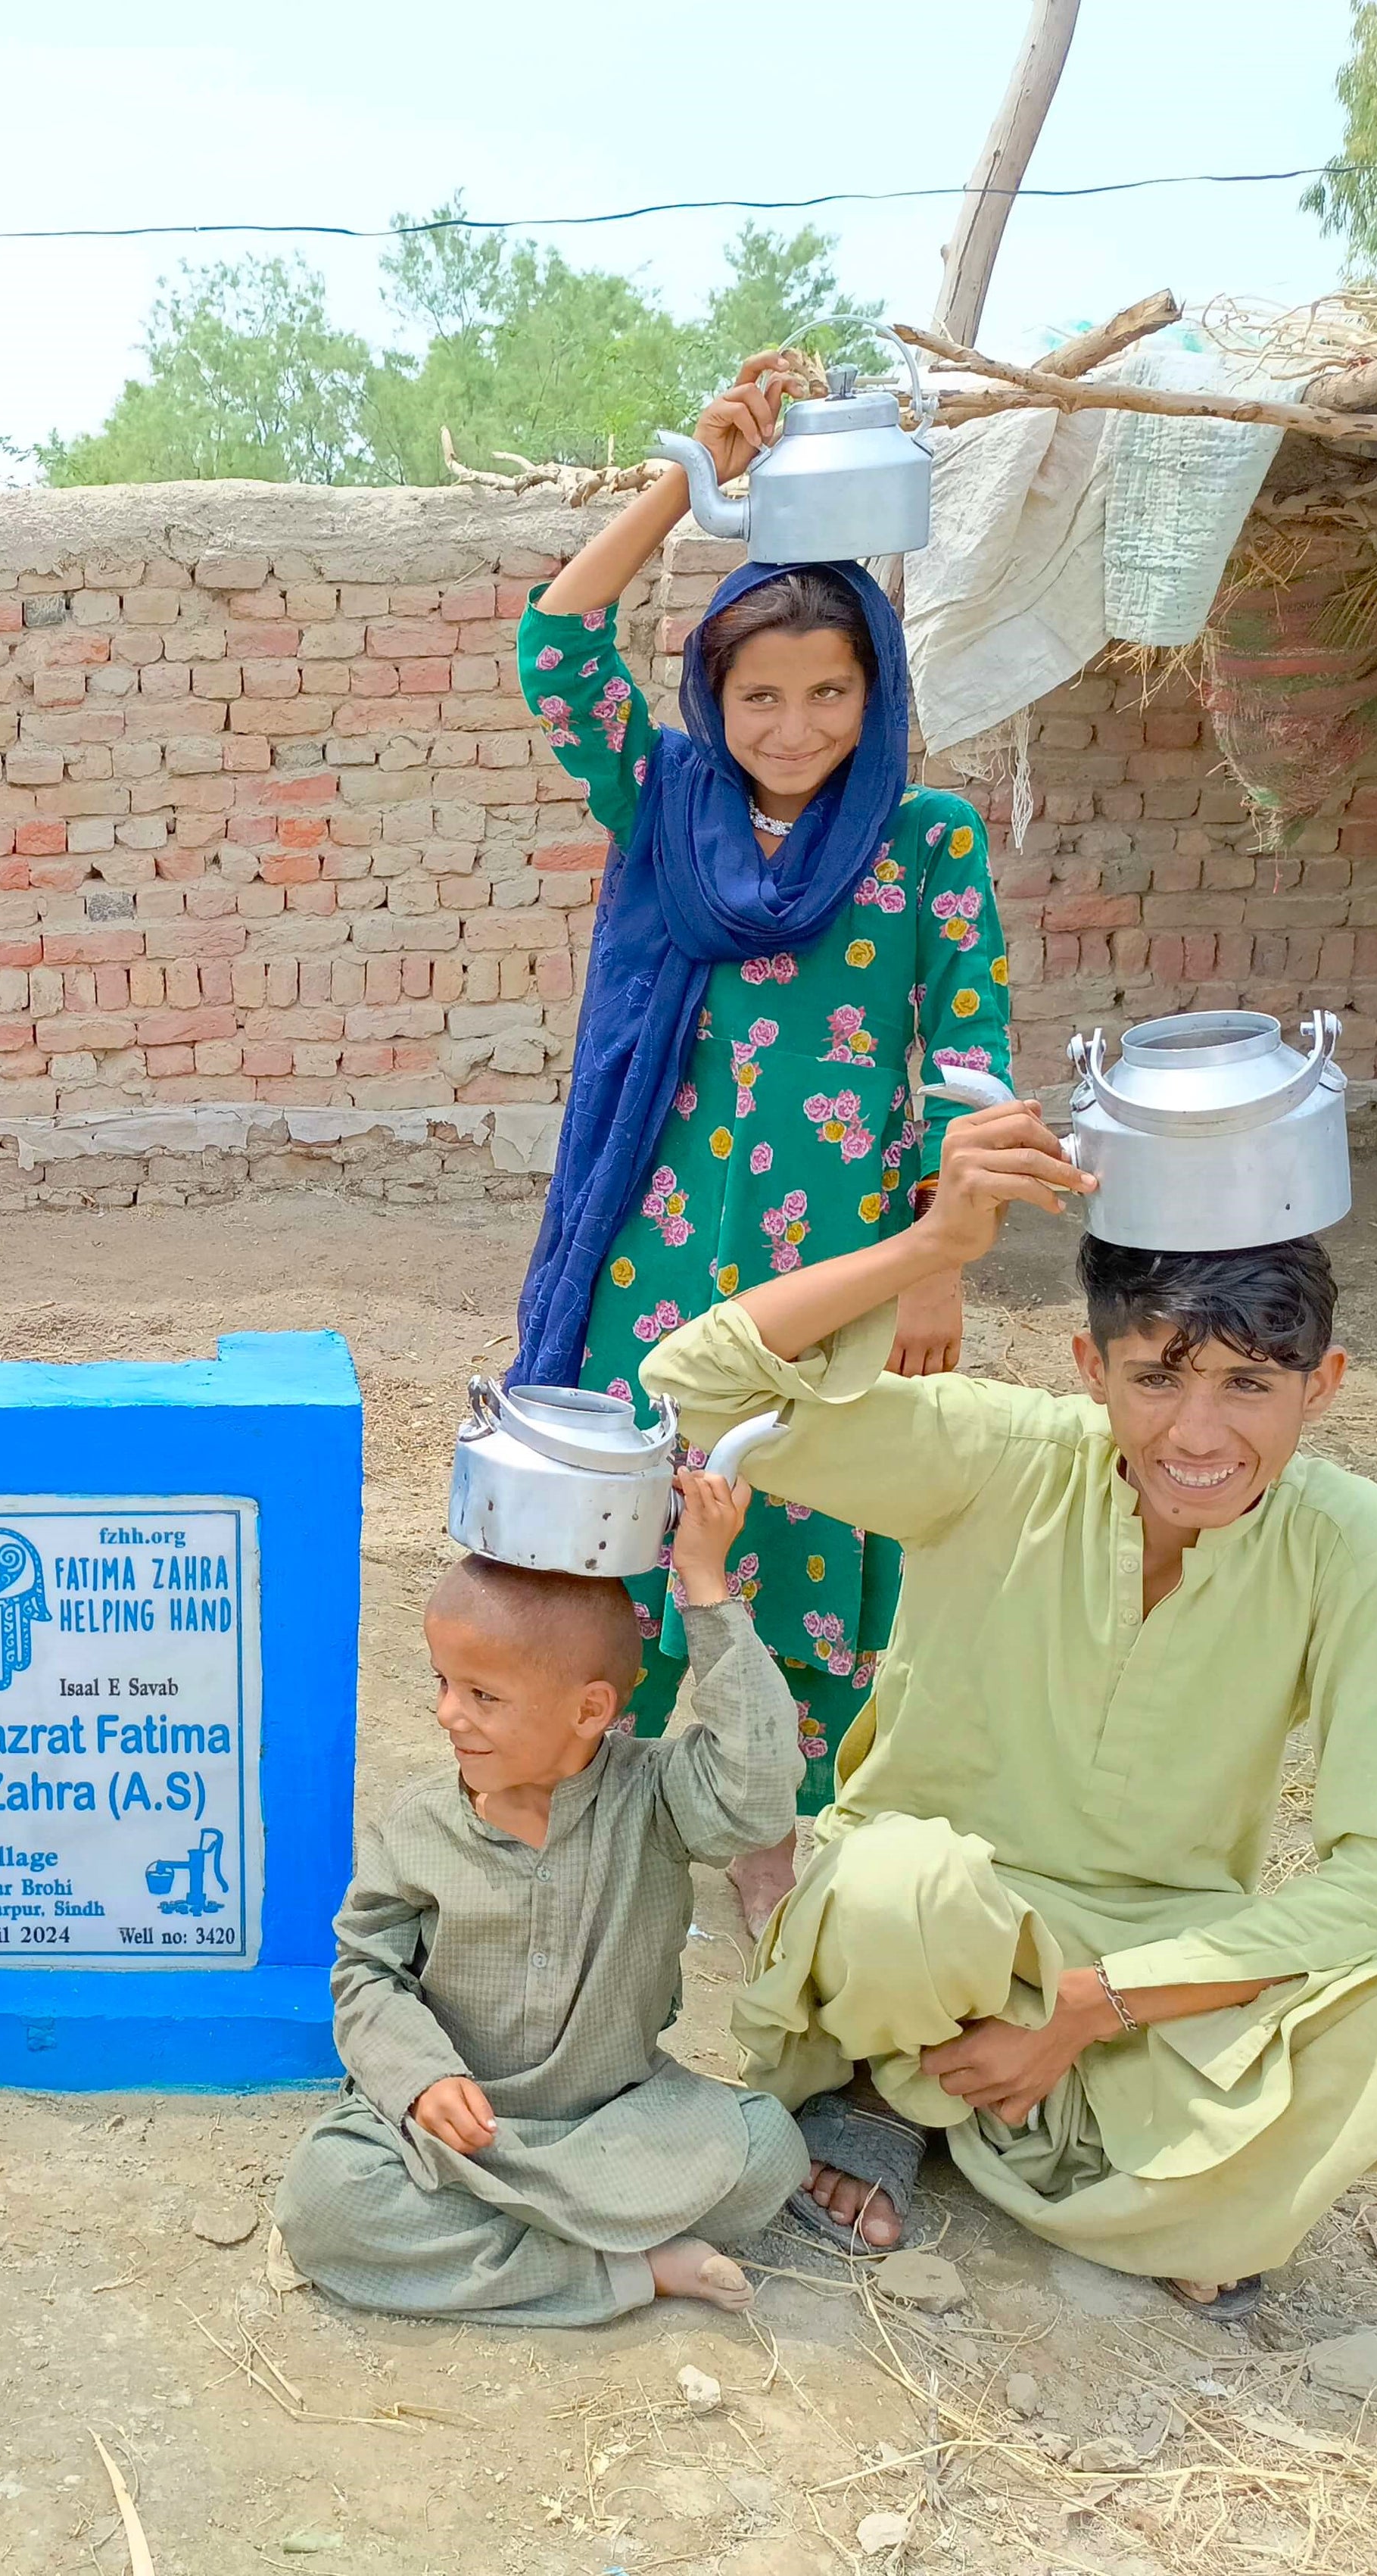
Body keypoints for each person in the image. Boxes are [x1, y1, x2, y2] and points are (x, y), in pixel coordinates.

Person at [644, 1098, 1377, 2314]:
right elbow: (693, 1388)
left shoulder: (1350, 1541)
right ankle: (1016, 2131)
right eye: (1158, 1375)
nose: (1201, 1431)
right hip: (929, 1931)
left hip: (1158, 1973)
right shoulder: (1001, 1454)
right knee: (904, 1893)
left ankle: (944, 2110)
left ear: (1321, 1384)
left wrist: (1095, 2003)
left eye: (1250, 1382)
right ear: (1090, 1365)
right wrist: (930, 1251)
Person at [510, 353, 1013, 1935]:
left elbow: (965, 1062)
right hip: (656, 1244)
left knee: (805, 1520)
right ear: (710, 707)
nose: (790, 726)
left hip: (841, 1258)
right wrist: (691, 478)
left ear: (874, 699)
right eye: (756, 696)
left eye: (825, 693)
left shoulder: (924, 842)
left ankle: (772, 1838)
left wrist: (938, 1265)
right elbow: (555, 640)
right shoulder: (664, 808)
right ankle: (613, 1802)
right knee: (632, 1508)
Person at [274, 1467, 807, 2325]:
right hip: (459, 2136)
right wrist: (418, 2081)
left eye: (484, 1696)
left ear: (591, 1709)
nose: (450, 1715)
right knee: (328, 2201)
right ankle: (628, 2268)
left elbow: (760, 1785)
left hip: (613, 2126)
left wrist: (703, 1587)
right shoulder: (415, 1830)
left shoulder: (657, 1801)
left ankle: (539, 2249)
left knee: (768, 2150)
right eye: (443, 1684)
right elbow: (365, 1976)